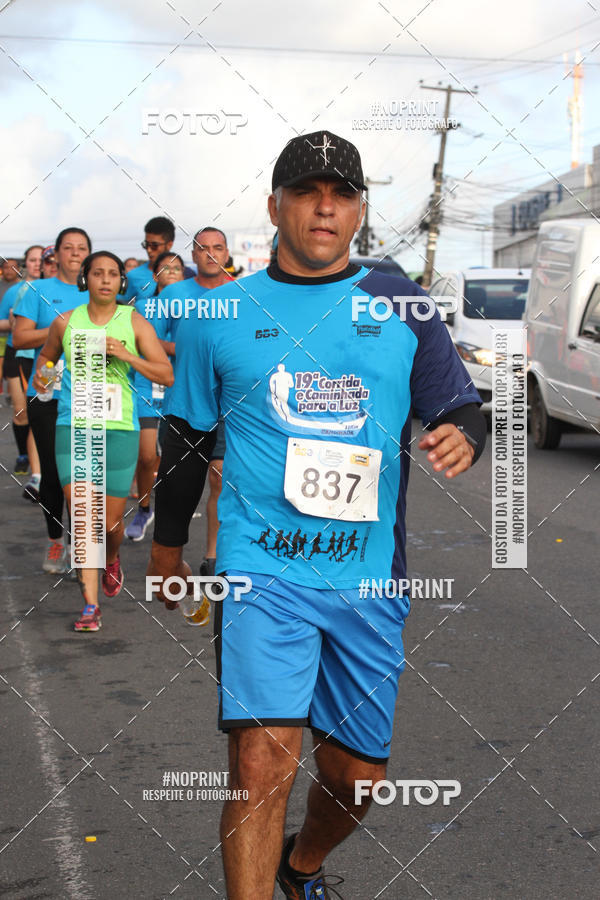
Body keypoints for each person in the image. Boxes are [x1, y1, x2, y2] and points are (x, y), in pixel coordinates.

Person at [148, 130, 487, 899]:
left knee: (356, 778)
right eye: (306, 192)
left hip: (367, 576)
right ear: (275, 207)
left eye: (341, 194)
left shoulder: (401, 301)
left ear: (359, 210)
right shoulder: (218, 312)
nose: (324, 207)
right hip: (260, 566)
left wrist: (464, 435)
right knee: (261, 760)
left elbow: (460, 404)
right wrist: (167, 550)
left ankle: (300, 864)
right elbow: (187, 437)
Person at [34, 251, 173, 631]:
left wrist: (127, 354)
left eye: (113, 274)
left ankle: (111, 558)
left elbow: (166, 373)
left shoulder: (134, 321)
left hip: (119, 430)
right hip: (74, 427)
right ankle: (90, 606)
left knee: (110, 525)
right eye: (98, 273)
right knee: (83, 516)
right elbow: (45, 361)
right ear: (86, 279)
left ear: (122, 282)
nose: (106, 280)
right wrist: (45, 377)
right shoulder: (65, 322)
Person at [13, 228, 92, 573]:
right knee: (53, 470)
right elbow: (19, 338)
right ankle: (56, 540)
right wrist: (61, 328)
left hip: (89, 391)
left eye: (82, 248)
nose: (75, 253)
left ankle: (79, 546)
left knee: (83, 473)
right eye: (68, 247)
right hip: (47, 388)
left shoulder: (98, 291)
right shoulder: (38, 290)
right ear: (56, 254)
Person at [157, 227, 233, 576]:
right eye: (203, 248)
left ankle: (212, 558)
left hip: (230, 407)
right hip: (185, 405)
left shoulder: (243, 294)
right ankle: (170, 558)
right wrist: (190, 349)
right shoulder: (175, 294)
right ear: (193, 254)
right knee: (176, 493)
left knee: (219, 477)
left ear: (227, 254)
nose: (211, 253)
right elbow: (149, 339)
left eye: (218, 247)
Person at [125, 251, 184, 541]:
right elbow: (137, 345)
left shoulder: (197, 306)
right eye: (165, 268)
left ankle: (172, 517)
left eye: (177, 268)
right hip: (147, 385)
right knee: (147, 455)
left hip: (182, 387)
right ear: (155, 275)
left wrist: (159, 345)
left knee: (177, 462)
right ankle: (144, 508)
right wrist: (165, 347)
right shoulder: (142, 307)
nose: (171, 272)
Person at [0, 245, 43, 488]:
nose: (38, 264)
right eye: (33, 260)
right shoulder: (15, 291)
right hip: (17, 353)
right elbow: (2, 322)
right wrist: (16, 323)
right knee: (21, 412)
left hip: (46, 356)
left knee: (41, 412)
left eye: (42, 260)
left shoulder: (53, 290)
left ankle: (40, 466)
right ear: (26, 264)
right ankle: (24, 455)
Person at [123, 216, 176, 304]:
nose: (149, 250)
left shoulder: (187, 275)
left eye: (154, 245)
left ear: (169, 245)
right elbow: (118, 305)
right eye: (146, 244)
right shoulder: (132, 276)